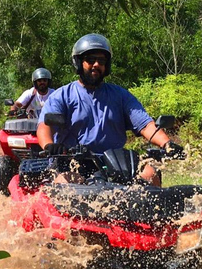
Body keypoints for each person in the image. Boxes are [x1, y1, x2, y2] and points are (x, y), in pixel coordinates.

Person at [37, 33, 184, 185]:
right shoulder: (62, 95)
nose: (96, 64)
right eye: (90, 60)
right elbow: (45, 127)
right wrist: (49, 145)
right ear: (79, 63)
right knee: (67, 183)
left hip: (116, 162)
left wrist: (167, 144)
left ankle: (153, 209)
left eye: (101, 61)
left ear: (107, 65)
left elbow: (145, 124)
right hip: (73, 161)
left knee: (150, 174)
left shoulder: (120, 95)